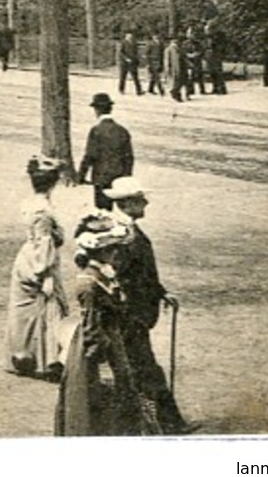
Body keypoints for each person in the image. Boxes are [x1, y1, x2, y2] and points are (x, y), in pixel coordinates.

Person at [106, 177, 194, 434]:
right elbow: (123, 276)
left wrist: (161, 292)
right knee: (144, 370)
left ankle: (157, 422)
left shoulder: (126, 228)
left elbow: (142, 274)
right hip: (131, 315)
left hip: (135, 314)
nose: (146, 203)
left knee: (140, 370)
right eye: (140, 199)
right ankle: (167, 424)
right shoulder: (122, 234)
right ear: (126, 203)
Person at [56, 211, 149, 436]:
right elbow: (92, 330)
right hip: (101, 350)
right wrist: (104, 364)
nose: (118, 253)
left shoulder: (101, 275)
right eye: (114, 249)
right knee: (101, 400)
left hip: (112, 340)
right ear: (104, 251)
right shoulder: (89, 284)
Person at [7, 155, 69, 379]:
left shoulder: (30, 203)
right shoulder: (43, 210)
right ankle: (46, 359)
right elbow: (44, 243)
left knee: (25, 310)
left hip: (25, 256)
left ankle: (24, 353)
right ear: (53, 183)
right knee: (46, 305)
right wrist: (44, 273)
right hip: (38, 260)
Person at [76, 93, 133, 210]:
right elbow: (129, 157)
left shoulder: (96, 130)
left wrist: (81, 176)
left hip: (101, 177)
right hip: (119, 177)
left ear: (96, 110)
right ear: (110, 109)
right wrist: (127, 176)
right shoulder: (122, 130)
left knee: (102, 211)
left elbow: (90, 155)